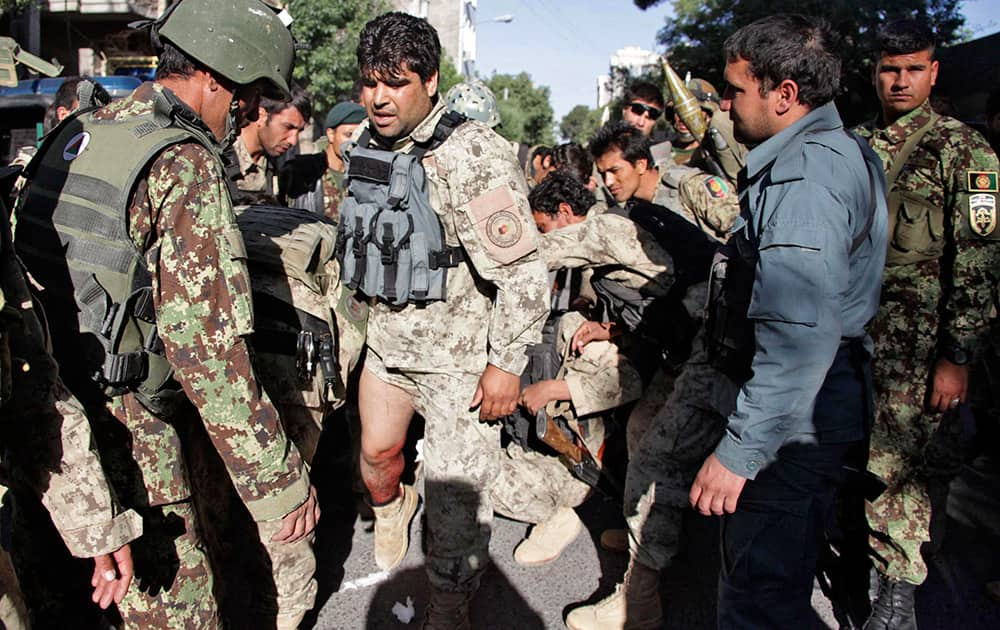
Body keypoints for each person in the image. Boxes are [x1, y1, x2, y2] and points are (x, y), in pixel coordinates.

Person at [12, 1, 318, 627]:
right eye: (249, 96)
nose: (246, 116)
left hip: (45, 428)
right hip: (128, 437)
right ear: (216, 78)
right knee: (174, 607)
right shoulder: (184, 161)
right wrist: (278, 482)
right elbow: (206, 350)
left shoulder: (82, 130)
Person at [342, 12, 549, 627]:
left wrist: (505, 364)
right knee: (378, 460)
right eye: (369, 82)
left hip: (460, 366)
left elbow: (522, 272)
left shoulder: (471, 153)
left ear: (431, 80)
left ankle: (449, 607)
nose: (378, 98)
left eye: (395, 83)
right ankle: (391, 507)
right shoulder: (363, 143)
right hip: (387, 349)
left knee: (455, 514)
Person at [687, 14, 888, 629]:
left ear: (785, 94)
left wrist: (742, 450)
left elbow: (799, 336)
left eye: (736, 89)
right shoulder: (828, 151)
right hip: (808, 405)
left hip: (797, 417)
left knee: (758, 600)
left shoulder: (808, 175)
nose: (724, 103)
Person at [853, 19, 1000, 629]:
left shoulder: (968, 152)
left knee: (898, 472)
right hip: (854, 336)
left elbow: (978, 262)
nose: (900, 80)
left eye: (914, 69)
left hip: (917, 350)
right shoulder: (854, 142)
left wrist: (956, 357)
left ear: (934, 72)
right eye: (890, 69)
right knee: (856, 462)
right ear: (875, 72)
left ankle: (898, 598)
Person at [489, 173, 643, 568]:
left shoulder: (575, 326)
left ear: (563, 213)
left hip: (577, 461)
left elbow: (627, 380)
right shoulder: (559, 318)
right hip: (544, 450)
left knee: (483, 484)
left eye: (544, 228)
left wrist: (555, 390)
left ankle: (558, 517)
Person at [279, 101, 366, 221]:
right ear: (331, 134)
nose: (354, 142)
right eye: (349, 134)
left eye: (360, 136)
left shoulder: (364, 179)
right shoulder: (300, 172)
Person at [230, 85, 311, 201]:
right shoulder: (220, 160)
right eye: (288, 127)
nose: (293, 141)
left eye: (299, 131)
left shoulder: (277, 169)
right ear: (261, 115)